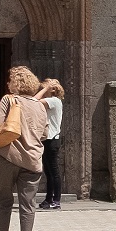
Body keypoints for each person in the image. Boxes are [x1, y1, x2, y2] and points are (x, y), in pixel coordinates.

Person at [0, 65, 50, 231]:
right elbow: (45, 133)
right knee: (28, 203)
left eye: (10, 80)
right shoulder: (40, 106)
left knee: (3, 199)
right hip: (33, 160)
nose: (8, 84)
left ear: (16, 83)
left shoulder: (9, 99)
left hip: (9, 156)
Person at [39, 77, 67, 209]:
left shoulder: (54, 101)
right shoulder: (52, 101)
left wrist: (45, 89)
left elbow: (33, 101)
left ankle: (56, 199)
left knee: (53, 171)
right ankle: (49, 199)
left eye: (45, 88)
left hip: (52, 139)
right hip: (47, 139)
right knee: (49, 172)